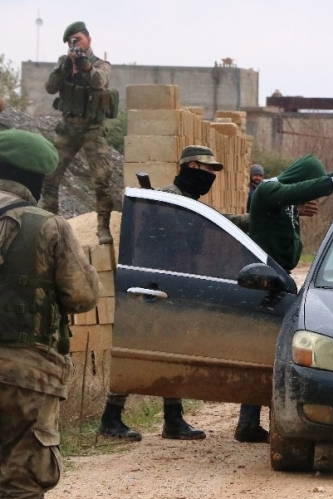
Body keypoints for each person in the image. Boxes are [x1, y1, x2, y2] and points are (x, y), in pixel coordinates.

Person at [98, 145, 250, 442]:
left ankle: (172, 419)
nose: (211, 177)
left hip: (170, 286)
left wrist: (258, 217)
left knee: (172, 351)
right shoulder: (170, 199)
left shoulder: (185, 201)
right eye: (209, 171)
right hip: (152, 289)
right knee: (139, 350)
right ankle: (110, 418)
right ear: (193, 167)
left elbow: (219, 220)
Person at [0, 129, 101, 499]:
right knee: (18, 486)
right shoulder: (49, 228)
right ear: (36, 180)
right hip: (27, 378)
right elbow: (82, 296)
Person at [234, 153, 333, 442]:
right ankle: (249, 422)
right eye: (305, 185)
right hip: (264, 280)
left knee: (273, 350)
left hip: (278, 278)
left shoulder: (283, 202)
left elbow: (297, 195)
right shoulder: (268, 189)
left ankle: (253, 421)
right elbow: (296, 191)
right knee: (265, 349)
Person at [40, 21, 117, 246]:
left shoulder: (100, 64)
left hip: (92, 129)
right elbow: (50, 87)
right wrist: (66, 66)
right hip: (68, 127)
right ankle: (51, 226)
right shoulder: (64, 64)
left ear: (88, 40)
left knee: (102, 179)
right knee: (50, 175)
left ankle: (103, 228)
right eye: (71, 42)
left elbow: (99, 82)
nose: (75, 44)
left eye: (78, 40)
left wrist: (84, 64)